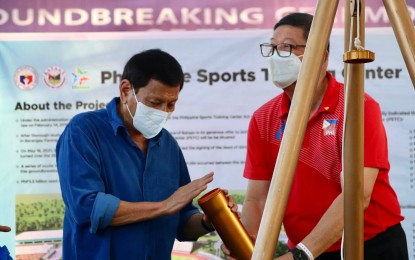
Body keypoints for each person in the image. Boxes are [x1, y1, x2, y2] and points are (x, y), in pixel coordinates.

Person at [223, 13, 408, 260]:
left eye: (288, 47)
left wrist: (302, 255)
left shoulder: (356, 107)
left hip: (370, 246)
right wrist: (243, 241)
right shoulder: (264, 119)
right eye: (274, 47)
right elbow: (258, 199)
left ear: (321, 56)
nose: (278, 56)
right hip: (306, 250)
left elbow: (356, 194)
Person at [56, 49, 236, 259]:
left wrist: (209, 220)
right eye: (154, 103)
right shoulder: (84, 131)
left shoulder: (167, 144)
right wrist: (165, 206)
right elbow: (87, 208)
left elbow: (182, 220)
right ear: (125, 90)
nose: (164, 112)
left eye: (171, 104)